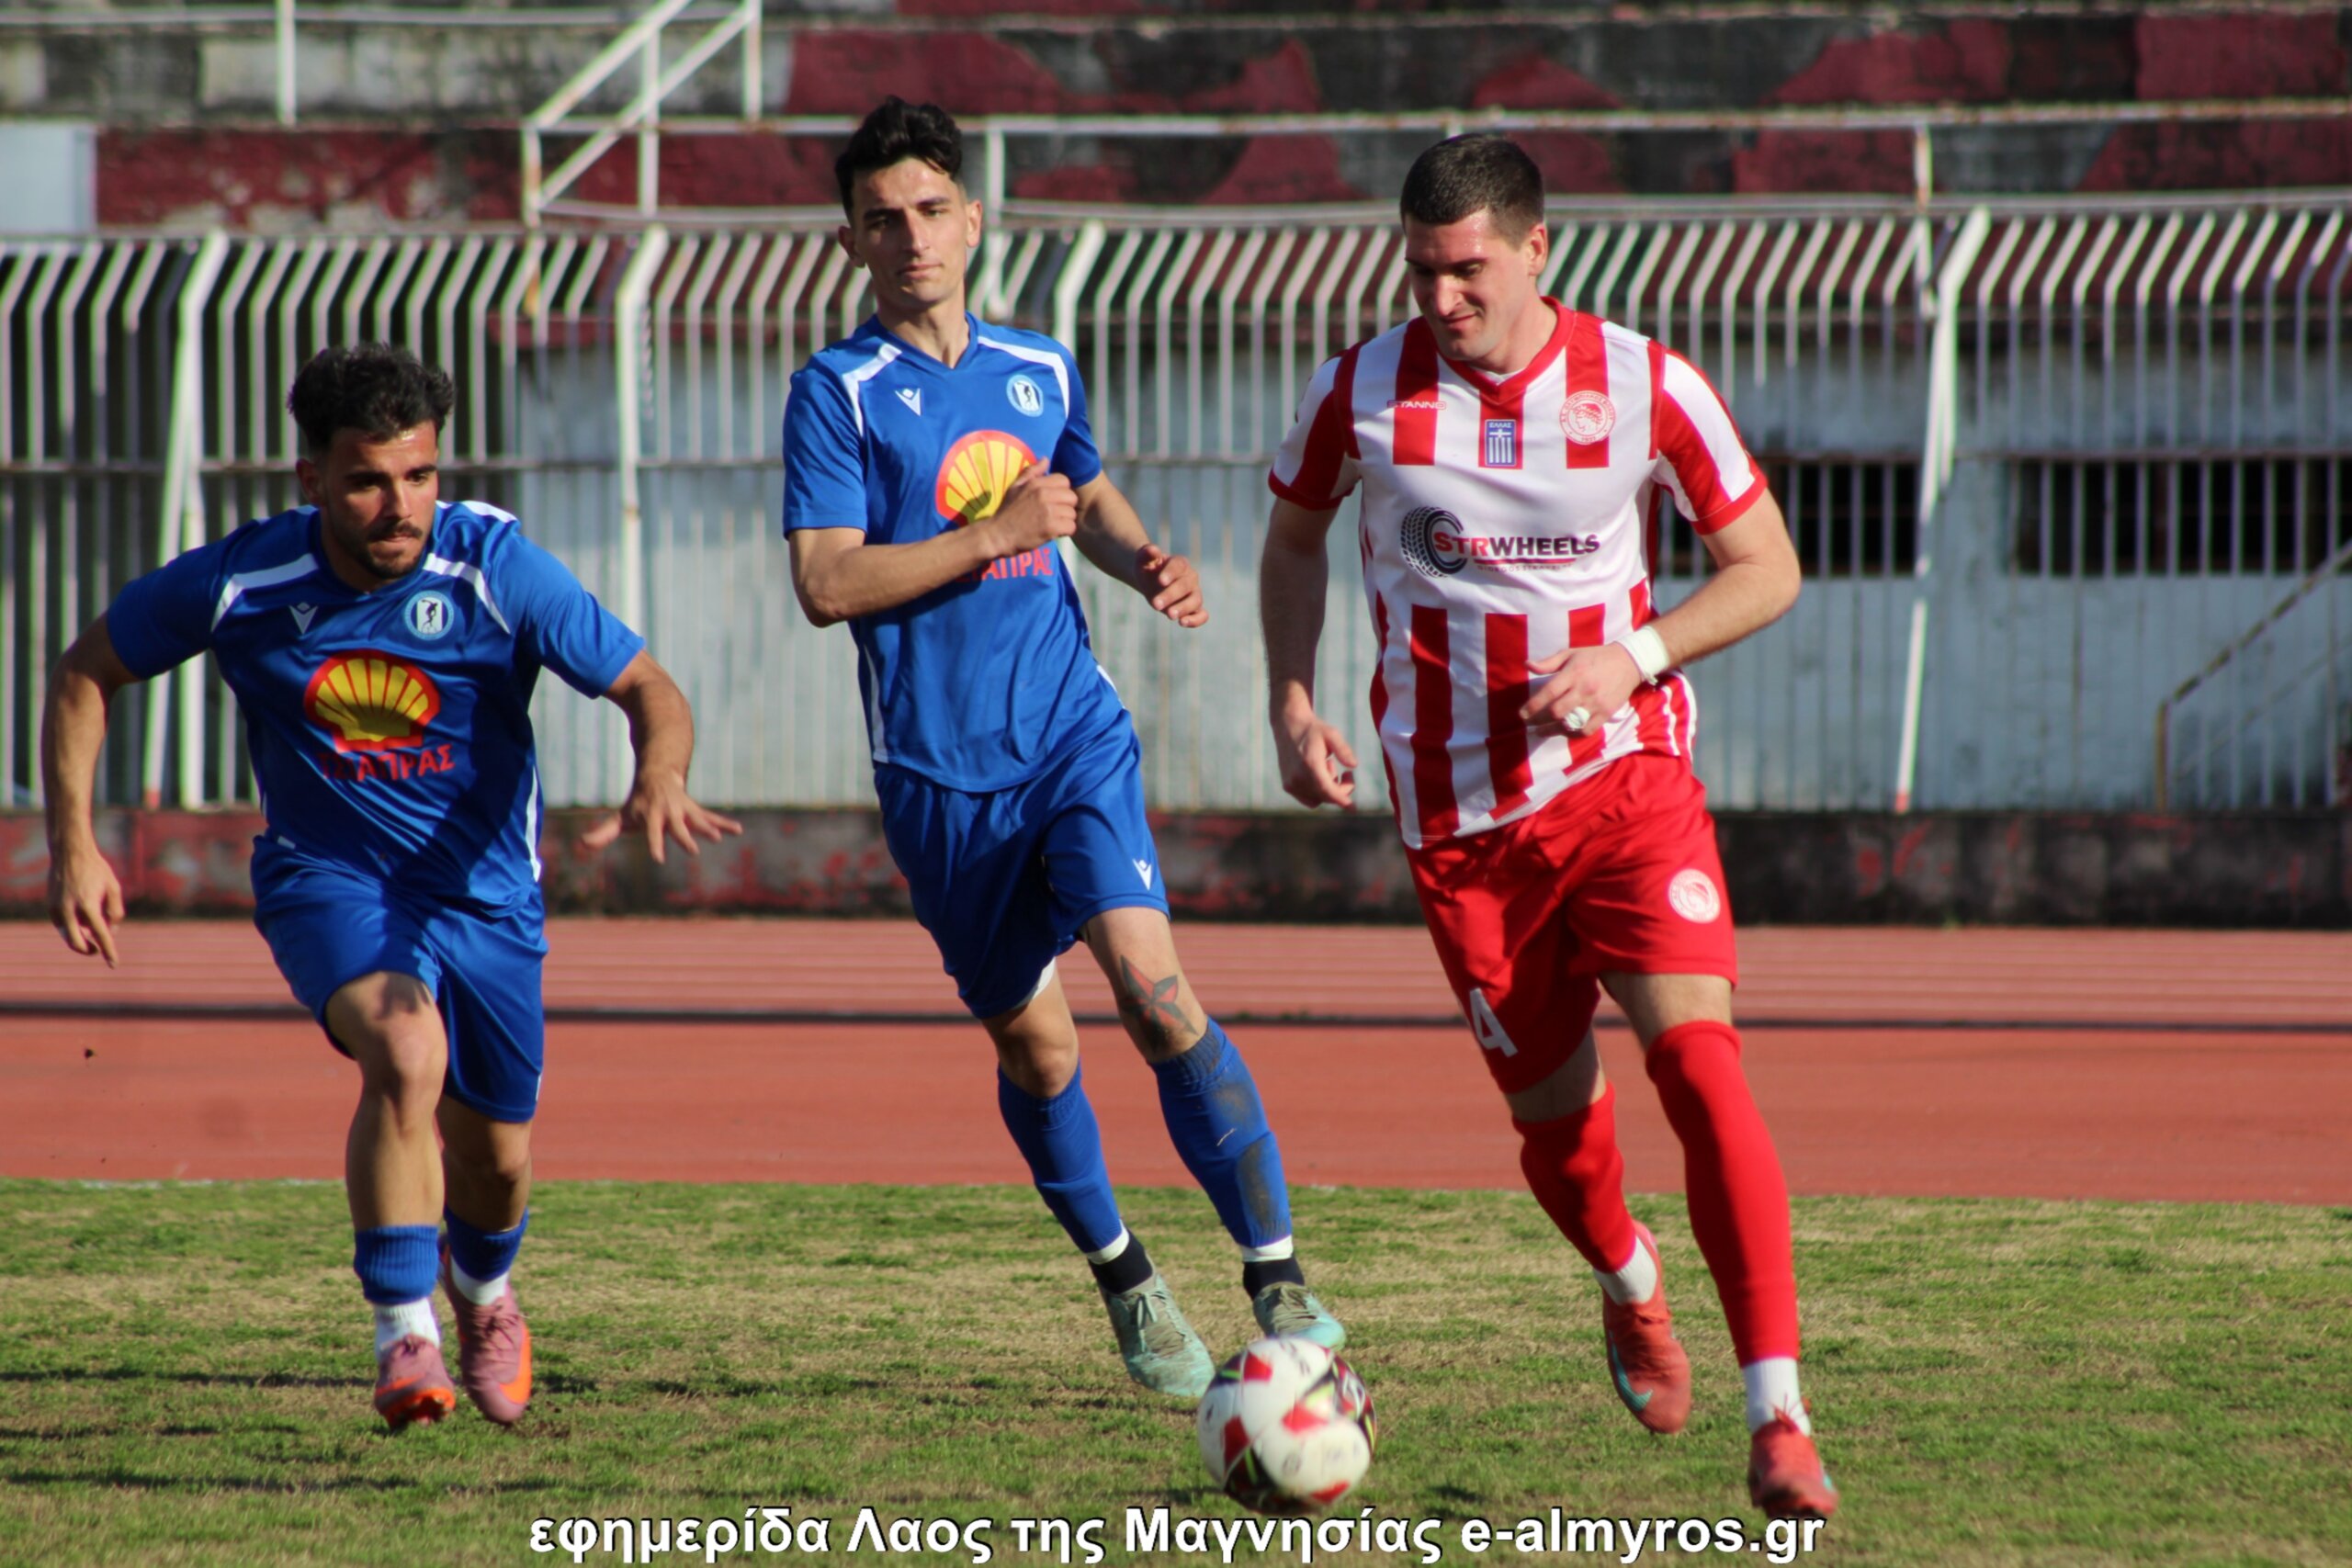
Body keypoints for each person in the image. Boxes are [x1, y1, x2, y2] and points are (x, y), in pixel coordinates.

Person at [1257, 134, 1835, 1517]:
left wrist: (1634, 656)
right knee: (1562, 1142)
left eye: (1466, 269)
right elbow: (1292, 538)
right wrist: (1291, 699)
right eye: (1420, 271)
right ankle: (1629, 1279)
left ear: (1536, 249)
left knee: (1699, 1066)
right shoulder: (1358, 389)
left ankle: (1779, 1415)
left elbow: (1767, 568)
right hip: (1460, 825)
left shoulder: (1644, 383)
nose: (1440, 297)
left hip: (1626, 783)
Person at [41, 343, 741, 1432]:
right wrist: (75, 846)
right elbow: (86, 672)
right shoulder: (242, 582)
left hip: (486, 899)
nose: (400, 505)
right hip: (331, 882)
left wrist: (661, 771)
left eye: (419, 475)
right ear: (312, 477)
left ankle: (484, 1293)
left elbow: (647, 685)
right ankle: (402, 1331)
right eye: (368, 480)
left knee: (496, 1163)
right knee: (406, 1051)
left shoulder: (494, 569)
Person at [781, 96, 1343, 1400]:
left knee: (1155, 992)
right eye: (882, 219)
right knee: (1039, 1053)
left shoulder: (1038, 363)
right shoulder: (835, 393)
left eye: (931, 210)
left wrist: (1141, 560)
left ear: (974, 220)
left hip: (1069, 737)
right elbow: (825, 583)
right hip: (940, 778)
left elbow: (1078, 490)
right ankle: (1127, 1279)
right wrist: (992, 533)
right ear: (851, 241)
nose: (912, 238)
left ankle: (1276, 1276)